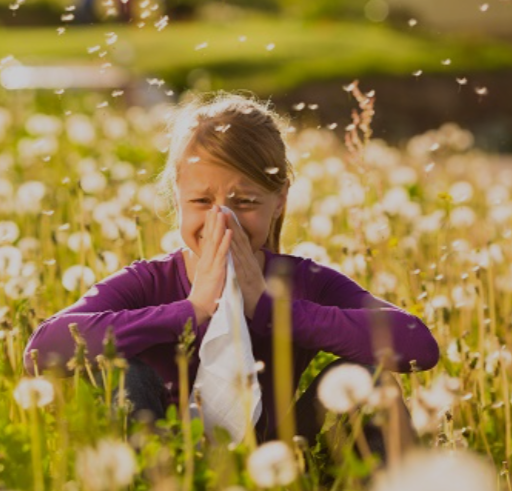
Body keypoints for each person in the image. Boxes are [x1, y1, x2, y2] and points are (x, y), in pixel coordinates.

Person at [23, 93, 440, 454]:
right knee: (124, 373)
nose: (222, 220)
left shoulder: (303, 280)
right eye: (202, 200)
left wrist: (273, 310)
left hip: (277, 454)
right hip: (162, 455)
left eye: (244, 202)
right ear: (178, 200)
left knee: (370, 380)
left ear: (279, 201)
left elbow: (417, 345)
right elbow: (42, 351)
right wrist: (191, 310)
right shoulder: (149, 281)